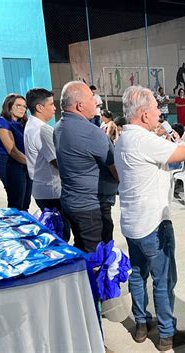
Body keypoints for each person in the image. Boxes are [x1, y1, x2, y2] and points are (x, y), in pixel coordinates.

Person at [115, 85, 185, 351]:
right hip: (152, 224)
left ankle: (141, 324)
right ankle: (167, 335)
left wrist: (159, 134)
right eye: (156, 110)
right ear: (143, 114)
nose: (160, 115)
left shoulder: (125, 137)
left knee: (138, 275)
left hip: (132, 222)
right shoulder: (144, 140)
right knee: (163, 280)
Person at [54, 81, 118, 253]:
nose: (96, 102)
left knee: (82, 249)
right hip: (90, 208)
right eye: (92, 98)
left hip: (71, 202)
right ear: (80, 105)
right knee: (97, 258)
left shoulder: (59, 127)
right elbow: (117, 171)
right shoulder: (91, 132)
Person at [24, 88, 69, 241]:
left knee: (54, 232)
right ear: (39, 107)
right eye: (51, 104)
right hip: (52, 191)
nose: (55, 107)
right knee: (61, 235)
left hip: (42, 189)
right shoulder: (43, 129)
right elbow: (56, 161)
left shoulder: (31, 125)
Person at [0, 94, 32, 210]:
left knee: (26, 201)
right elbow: (12, 151)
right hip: (8, 163)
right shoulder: (2, 122)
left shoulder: (22, 123)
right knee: (16, 202)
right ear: (9, 106)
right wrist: (32, 163)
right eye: (18, 105)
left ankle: (24, 227)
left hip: (24, 162)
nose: (22, 109)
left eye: (24, 107)